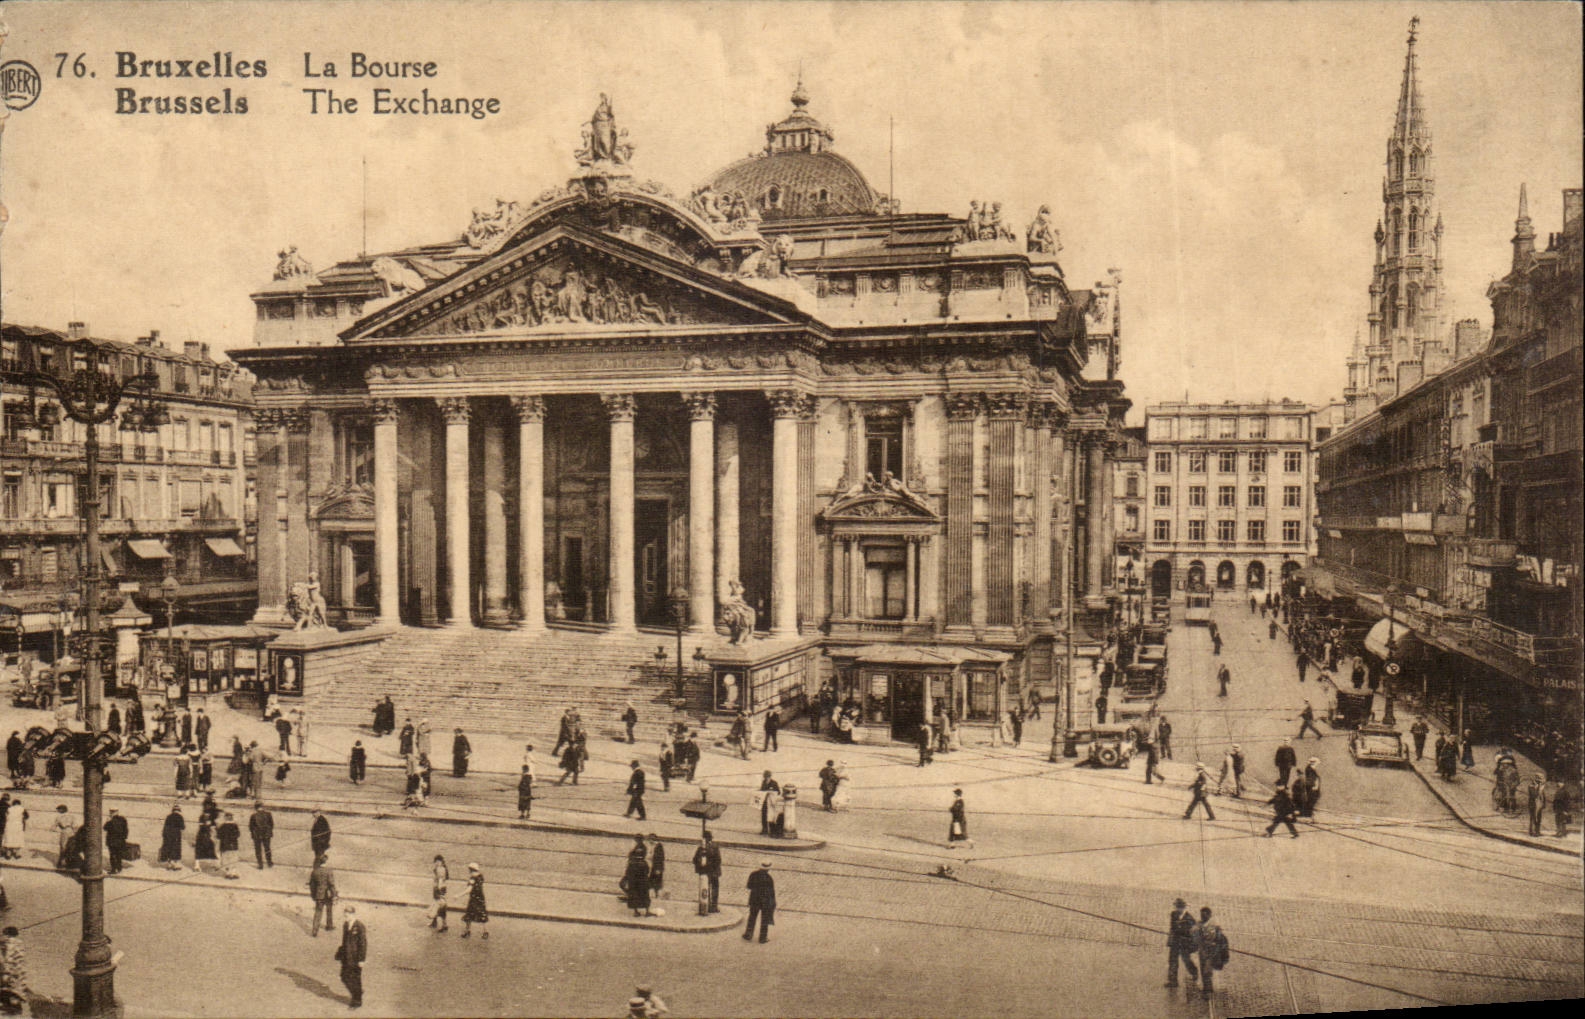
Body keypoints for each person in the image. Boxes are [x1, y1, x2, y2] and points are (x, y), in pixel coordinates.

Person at [334, 904, 366, 1009]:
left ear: (353, 914)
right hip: (346, 957)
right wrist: (340, 952)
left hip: (355, 958)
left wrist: (361, 960)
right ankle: (358, 992)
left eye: (348, 915)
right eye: (345, 915)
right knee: (344, 977)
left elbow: (363, 944)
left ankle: (357, 1001)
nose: (346, 917)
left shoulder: (359, 926)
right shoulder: (345, 925)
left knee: (354, 979)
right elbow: (344, 941)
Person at [1165, 897, 1199, 988]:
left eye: (1179, 907)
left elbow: (1192, 932)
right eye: (1176, 907)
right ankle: (1173, 981)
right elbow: (1172, 927)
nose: (1177, 909)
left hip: (1184, 943)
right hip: (1175, 942)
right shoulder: (1173, 914)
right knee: (1172, 961)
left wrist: (1183, 933)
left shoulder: (1189, 919)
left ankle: (1194, 972)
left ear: (1183, 908)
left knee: (1186, 960)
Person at [743, 860, 776, 943]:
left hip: (754, 900)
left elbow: (749, 886)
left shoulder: (753, 874)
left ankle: (748, 934)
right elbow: (772, 892)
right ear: (768, 869)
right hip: (765, 902)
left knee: (752, 917)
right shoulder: (769, 878)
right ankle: (762, 938)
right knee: (764, 919)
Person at [1195, 906, 1224, 998]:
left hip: (1211, 951)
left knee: (1207, 970)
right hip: (1202, 950)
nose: (1202, 917)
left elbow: (1219, 938)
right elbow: (1196, 937)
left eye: (1204, 915)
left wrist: (1217, 945)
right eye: (1201, 915)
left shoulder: (1214, 925)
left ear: (1209, 915)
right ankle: (1207, 988)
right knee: (1203, 969)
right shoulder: (1199, 924)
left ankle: (1207, 992)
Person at [693, 830, 722, 915]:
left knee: (710, 889)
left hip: (710, 872)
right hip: (709, 872)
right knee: (709, 889)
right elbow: (695, 859)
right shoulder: (705, 848)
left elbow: (718, 860)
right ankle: (710, 906)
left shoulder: (708, 847)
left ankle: (711, 906)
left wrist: (705, 865)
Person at [309, 852, 337, 935]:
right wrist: (334, 894)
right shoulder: (329, 871)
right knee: (329, 910)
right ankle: (329, 926)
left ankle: (314, 930)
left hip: (319, 894)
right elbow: (331, 884)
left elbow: (312, 885)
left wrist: (314, 895)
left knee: (318, 912)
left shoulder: (315, 871)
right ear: (326, 861)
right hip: (327, 894)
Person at [621, 844, 653, 918]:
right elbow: (647, 871)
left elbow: (628, 872)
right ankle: (647, 911)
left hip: (634, 883)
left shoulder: (631, 863)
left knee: (635, 897)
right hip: (642, 883)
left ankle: (636, 912)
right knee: (645, 897)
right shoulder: (644, 863)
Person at [462, 862, 489, 938]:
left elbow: (469, 890)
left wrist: (459, 895)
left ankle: (467, 931)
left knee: (469, 914)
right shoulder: (480, 877)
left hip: (474, 899)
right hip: (480, 898)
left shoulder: (472, 878)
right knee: (482, 915)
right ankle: (485, 932)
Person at [247, 801, 274, 870]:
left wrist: (253, 833)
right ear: (263, 807)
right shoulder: (268, 814)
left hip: (257, 835)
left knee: (258, 850)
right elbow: (271, 824)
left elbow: (250, 826)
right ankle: (269, 863)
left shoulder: (253, 816)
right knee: (267, 848)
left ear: (255, 808)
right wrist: (269, 831)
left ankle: (260, 864)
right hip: (266, 834)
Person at [103, 806, 129, 875]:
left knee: (113, 855)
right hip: (120, 841)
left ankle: (114, 869)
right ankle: (119, 868)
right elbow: (126, 830)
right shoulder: (123, 819)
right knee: (119, 855)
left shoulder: (110, 820)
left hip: (112, 841)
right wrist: (124, 838)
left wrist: (107, 821)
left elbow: (105, 828)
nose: (110, 813)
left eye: (111, 812)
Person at [428, 855, 450, 931]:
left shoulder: (441, 869)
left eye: (438, 861)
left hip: (440, 889)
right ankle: (435, 922)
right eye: (436, 862)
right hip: (438, 889)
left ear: (441, 862)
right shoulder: (439, 868)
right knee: (437, 905)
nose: (437, 863)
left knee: (440, 906)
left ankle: (444, 925)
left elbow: (440, 880)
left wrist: (439, 890)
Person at [217, 811, 241, 878]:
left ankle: (228, 873)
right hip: (233, 845)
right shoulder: (235, 826)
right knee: (233, 859)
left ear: (225, 818)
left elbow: (218, 836)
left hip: (224, 846)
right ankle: (233, 873)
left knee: (226, 859)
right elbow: (238, 834)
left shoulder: (222, 826)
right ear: (232, 818)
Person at [647, 834, 666, 901]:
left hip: (656, 867)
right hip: (652, 866)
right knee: (652, 880)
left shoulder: (658, 846)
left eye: (650, 839)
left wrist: (659, 868)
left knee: (657, 881)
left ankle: (657, 894)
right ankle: (653, 894)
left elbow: (660, 858)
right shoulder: (652, 846)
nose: (649, 841)